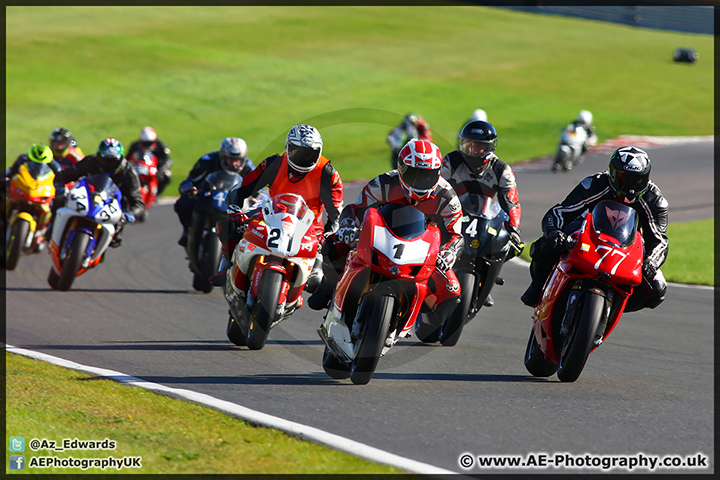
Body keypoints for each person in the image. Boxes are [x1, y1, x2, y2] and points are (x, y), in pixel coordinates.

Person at [308, 139, 463, 323]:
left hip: (420, 249)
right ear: (401, 169)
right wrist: (348, 226)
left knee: (451, 291)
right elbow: (355, 209)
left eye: (427, 175)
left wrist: (448, 253)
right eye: (414, 174)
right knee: (332, 244)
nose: (420, 181)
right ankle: (328, 285)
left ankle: (408, 312)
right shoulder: (384, 182)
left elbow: (456, 234)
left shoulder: (446, 196)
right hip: (380, 239)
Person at [520, 146, 668, 312]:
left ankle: (611, 307)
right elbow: (560, 211)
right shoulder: (595, 184)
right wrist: (554, 232)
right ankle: (539, 287)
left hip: (627, 246)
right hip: (587, 233)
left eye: (638, 180)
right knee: (544, 246)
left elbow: (660, 239)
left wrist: (651, 262)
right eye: (624, 179)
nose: (631, 187)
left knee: (657, 289)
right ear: (612, 174)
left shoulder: (654, 200)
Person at [218, 124, 343, 289]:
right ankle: (225, 267)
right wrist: (235, 211)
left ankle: (333, 301)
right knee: (230, 225)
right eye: (297, 152)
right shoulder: (274, 164)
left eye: (310, 155)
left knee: (318, 279)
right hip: (270, 213)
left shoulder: (327, 173)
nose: (303, 158)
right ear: (288, 147)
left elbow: (336, 215)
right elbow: (241, 188)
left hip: (309, 227)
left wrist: (327, 236)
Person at [442, 120, 523, 307]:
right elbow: (436, 188)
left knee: (508, 244)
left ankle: (486, 284)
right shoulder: (451, 161)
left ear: (490, 148)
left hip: (484, 216)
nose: (474, 151)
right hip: (451, 212)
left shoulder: (502, 169)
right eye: (469, 145)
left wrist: (515, 229)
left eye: (479, 146)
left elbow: (512, 202)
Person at [53, 138, 145, 248]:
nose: (109, 165)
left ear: (120, 159)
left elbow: (138, 203)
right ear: (98, 157)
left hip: (113, 205)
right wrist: (59, 189)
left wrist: (130, 215)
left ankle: (100, 250)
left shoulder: (128, 172)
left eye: (113, 161)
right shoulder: (90, 161)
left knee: (116, 239)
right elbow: (64, 175)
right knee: (59, 201)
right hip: (86, 196)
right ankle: (50, 231)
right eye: (105, 160)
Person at [174, 137, 255, 247]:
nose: (234, 164)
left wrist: (258, 199)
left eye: (238, 160)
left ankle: (244, 244)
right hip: (208, 197)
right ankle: (188, 230)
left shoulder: (249, 167)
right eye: (230, 159)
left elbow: (260, 189)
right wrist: (189, 189)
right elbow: (191, 180)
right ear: (222, 155)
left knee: (256, 215)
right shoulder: (207, 160)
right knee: (183, 203)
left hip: (234, 203)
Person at [1, 144, 62, 234]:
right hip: (24, 187)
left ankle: (48, 230)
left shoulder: (55, 165)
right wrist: (4, 178)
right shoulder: (23, 159)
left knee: (58, 205)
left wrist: (61, 189)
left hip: (41, 190)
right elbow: (11, 171)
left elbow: (61, 178)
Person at [126, 126, 173, 195]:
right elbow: (127, 158)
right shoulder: (135, 145)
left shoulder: (160, 146)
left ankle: (157, 194)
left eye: (150, 143)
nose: (147, 145)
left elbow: (167, 160)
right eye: (145, 143)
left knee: (167, 176)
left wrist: (160, 171)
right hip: (138, 167)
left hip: (155, 168)